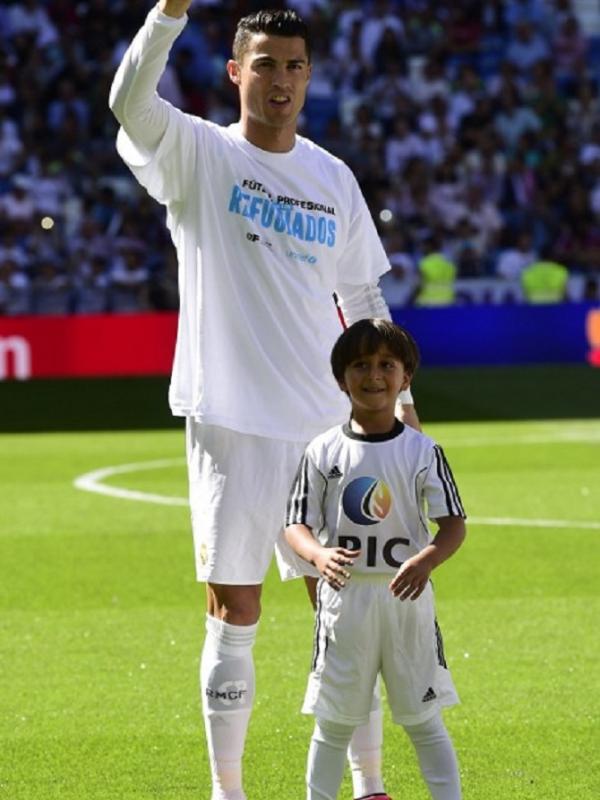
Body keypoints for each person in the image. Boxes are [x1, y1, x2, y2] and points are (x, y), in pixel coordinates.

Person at [109, 5, 418, 800]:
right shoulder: (199, 153)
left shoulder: (331, 176)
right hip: (231, 421)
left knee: (349, 613)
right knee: (234, 608)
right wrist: (170, 14)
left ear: (308, 76)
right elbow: (129, 104)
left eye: (294, 66)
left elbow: (361, 294)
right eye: (266, 64)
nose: (280, 80)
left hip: (327, 430)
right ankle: (229, 789)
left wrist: (401, 401)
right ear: (236, 73)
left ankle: (369, 783)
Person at [285, 318, 466, 800]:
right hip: (346, 603)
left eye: (387, 364)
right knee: (333, 725)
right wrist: (318, 554)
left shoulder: (423, 450)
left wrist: (426, 561)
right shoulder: (322, 450)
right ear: (341, 378)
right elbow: (295, 524)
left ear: (406, 378)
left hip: (407, 601)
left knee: (425, 721)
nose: (374, 376)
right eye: (360, 365)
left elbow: (453, 526)